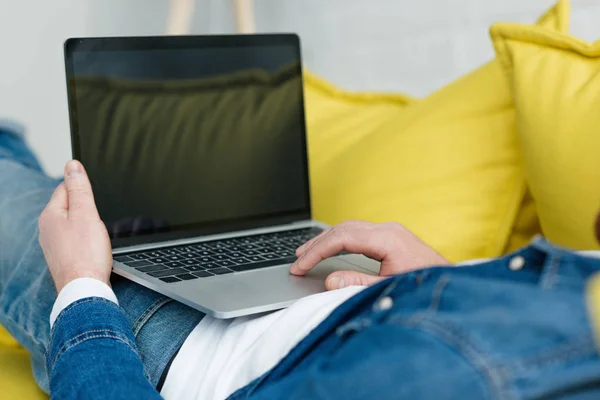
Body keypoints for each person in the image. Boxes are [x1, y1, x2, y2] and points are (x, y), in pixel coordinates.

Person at [2, 123, 600, 399]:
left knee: (24, 193)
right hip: (342, 299)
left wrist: (80, 285)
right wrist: (439, 283)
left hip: (167, 338)